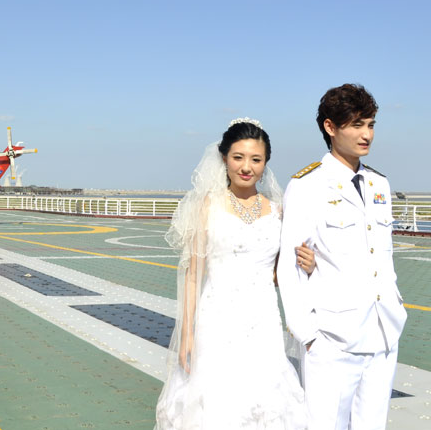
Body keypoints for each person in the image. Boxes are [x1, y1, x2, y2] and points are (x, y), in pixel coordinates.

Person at [155, 118, 313, 429]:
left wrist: (306, 263)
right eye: (238, 157)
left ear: (266, 162)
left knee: (266, 397)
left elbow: (281, 273)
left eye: (256, 159)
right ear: (224, 157)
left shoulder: (279, 211)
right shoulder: (206, 206)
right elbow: (192, 275)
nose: (246, 167)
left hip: (263, 321)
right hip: (216, 320)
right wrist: (187, 334)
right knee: (217, 401)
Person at [277, 84, 407, 429]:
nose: (367, 135)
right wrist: (308, 335)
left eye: (371, 124)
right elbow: (289, 266)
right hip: (333, 338)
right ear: (330, 127)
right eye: (357, 125)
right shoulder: (307, 185)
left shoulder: (379, 184)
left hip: (383, 332)